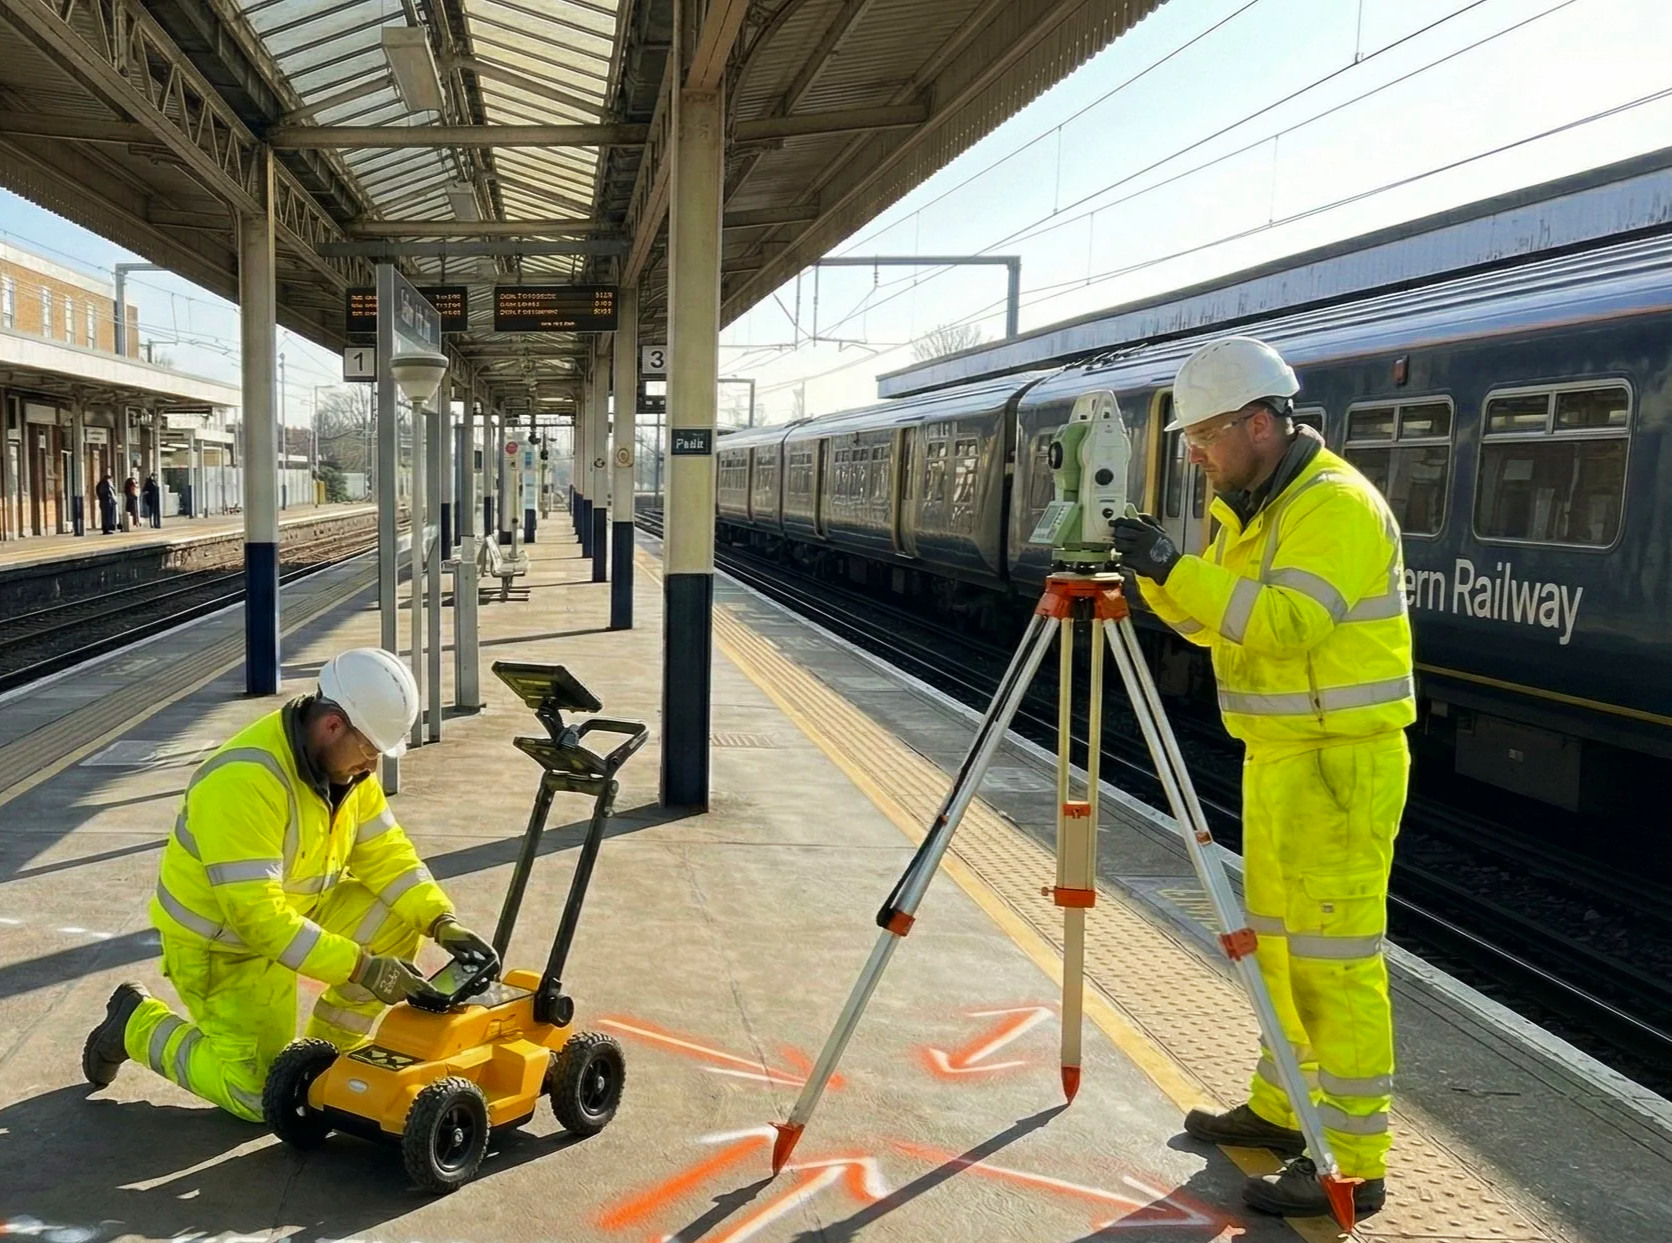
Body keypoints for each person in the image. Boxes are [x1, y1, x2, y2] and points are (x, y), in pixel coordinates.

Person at [1111, 336, 1413, 1220]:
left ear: (1258, 422)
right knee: (1278, 954)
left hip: (1339, 765)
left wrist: (1177, 569)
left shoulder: (1334, 507)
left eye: (1203, 437)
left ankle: (1354, 1165)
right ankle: (1284, 1113)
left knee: (1335, 966)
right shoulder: (1247, 507)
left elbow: (1283, 625)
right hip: (1281, 759)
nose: (1194, 455)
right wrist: (1160, 580)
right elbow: (1220, 625)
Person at [81, 647, 494, 1122]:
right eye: (369, 750)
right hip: (225, 945)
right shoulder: (244, 781)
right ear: (333, 725)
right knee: (258, 1096)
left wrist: (441, 919)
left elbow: (385, 853)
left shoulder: (348, 772)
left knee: (400, 921)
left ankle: (323, 1063)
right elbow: (257, 918)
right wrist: (362, 968)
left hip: (298, 910)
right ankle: (134, 1023)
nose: (372, 766)